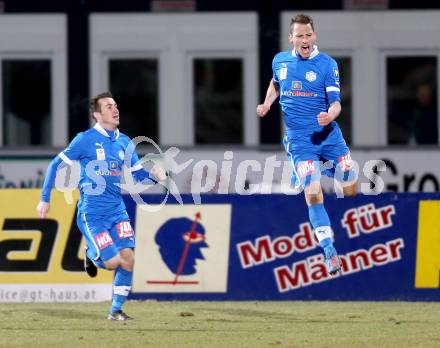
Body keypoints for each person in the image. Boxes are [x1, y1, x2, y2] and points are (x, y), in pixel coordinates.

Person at [36, 92, 167, 320]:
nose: (115, 110)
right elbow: (55, 165)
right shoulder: (84, 140)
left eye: (115, 106)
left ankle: (116, 311)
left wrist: (155, 176)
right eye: (108, 107)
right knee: (112, 262)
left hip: (117, 211)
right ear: (97, 115)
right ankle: (91, 253)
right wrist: (45, 198)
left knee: (129, 259)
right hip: (92, 213)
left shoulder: (125, 142)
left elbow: (137, 179)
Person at [256, 14, 357, 275]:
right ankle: (330, 253)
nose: (304, 40)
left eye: (308, 35)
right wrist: (267, 103)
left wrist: (330, 115)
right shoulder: (280, 60)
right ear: (291, 38)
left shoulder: (327, 65)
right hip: (300, 141)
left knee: (350, 187)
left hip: (328, 136)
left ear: (315, 36)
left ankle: (323, 169)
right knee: (312, 193)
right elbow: (275, 83)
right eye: (299, 35)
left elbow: (335, 102)